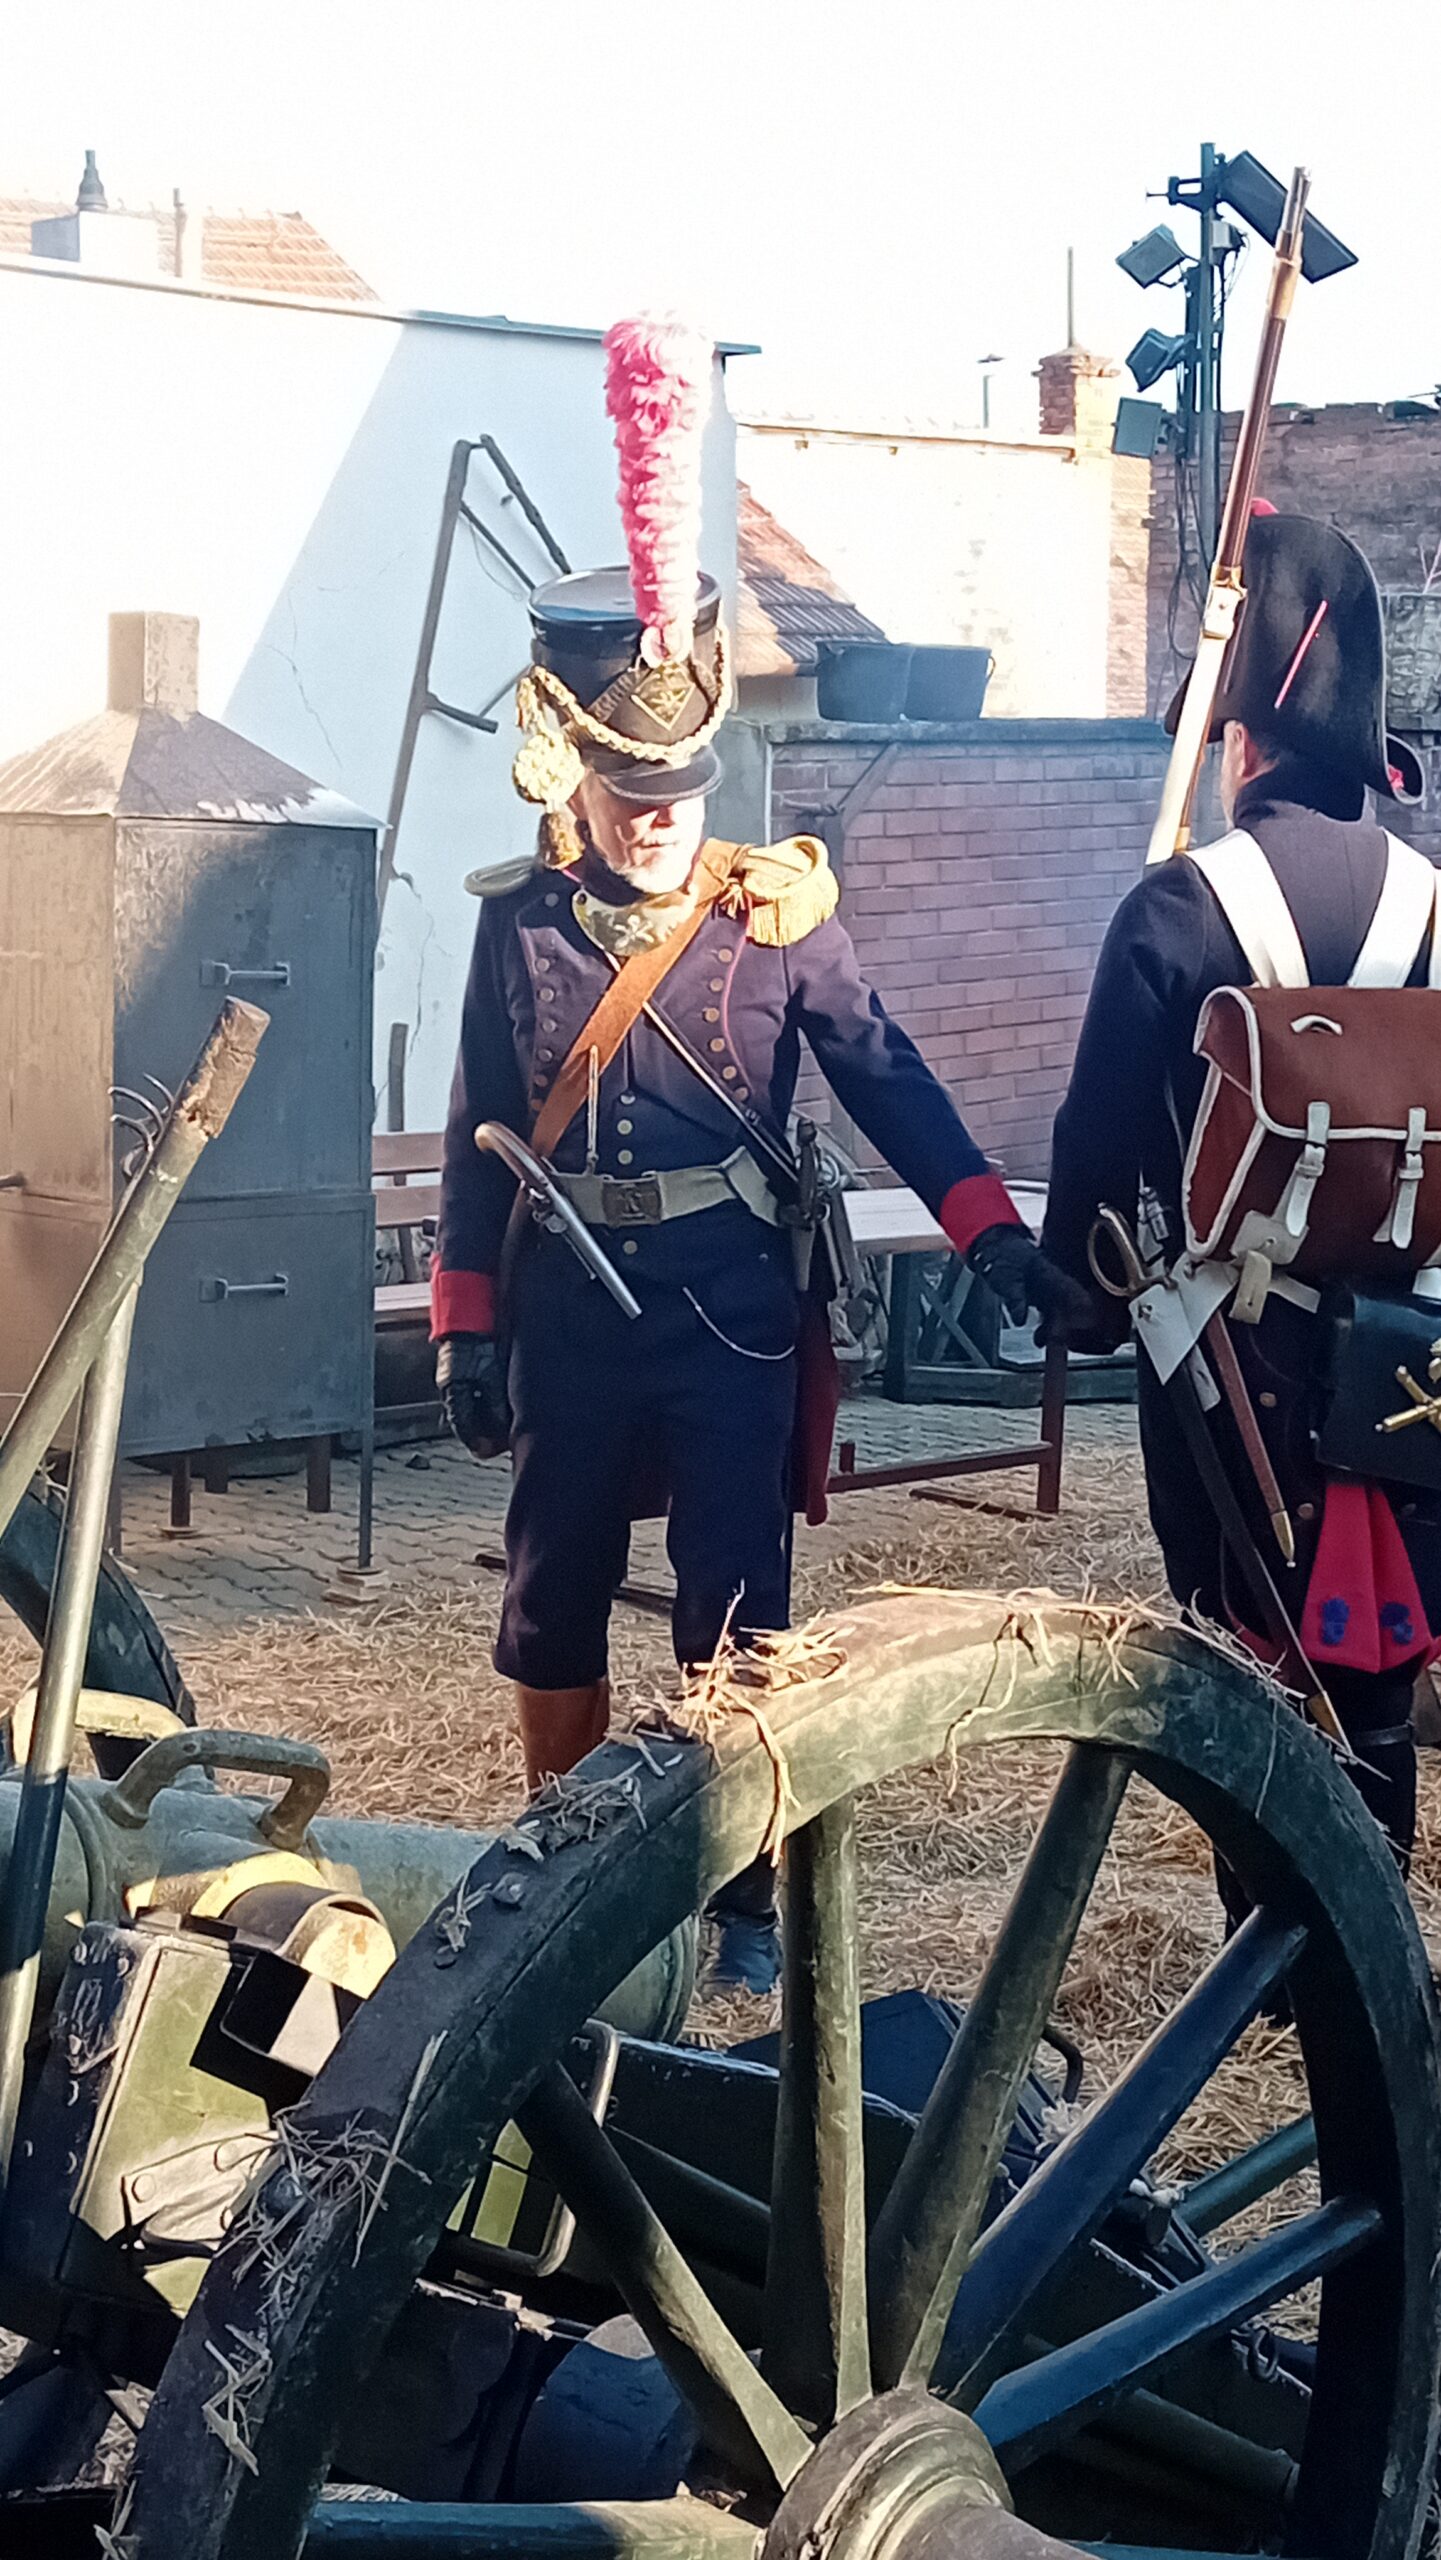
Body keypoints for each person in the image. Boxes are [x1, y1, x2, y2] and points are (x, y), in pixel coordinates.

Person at [433, 315, 1086, 1992]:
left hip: (728, 1306)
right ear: (571, 764)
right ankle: (564, 1878)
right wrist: (465, 1325)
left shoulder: (772, 917)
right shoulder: (516, 928)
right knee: (550, 1592)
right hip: (569, 1312)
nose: (658, 809)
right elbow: (479, 1138)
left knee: (735, 1606)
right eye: (626, 779)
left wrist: (988, 1230)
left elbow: (888, 1076)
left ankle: (732, 1893)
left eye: (678, 778)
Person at [1044, 507, 1439, 1913]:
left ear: (1243, 735)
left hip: (1231, 1352)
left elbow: (1093, 1143)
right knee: (1376, 1648)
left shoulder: (1176, 908)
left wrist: (1079, 1296)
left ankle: (1273, 1951)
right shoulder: (1433, 904)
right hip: (1403, 1355)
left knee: (1247, 1644)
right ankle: (1371, 1951)